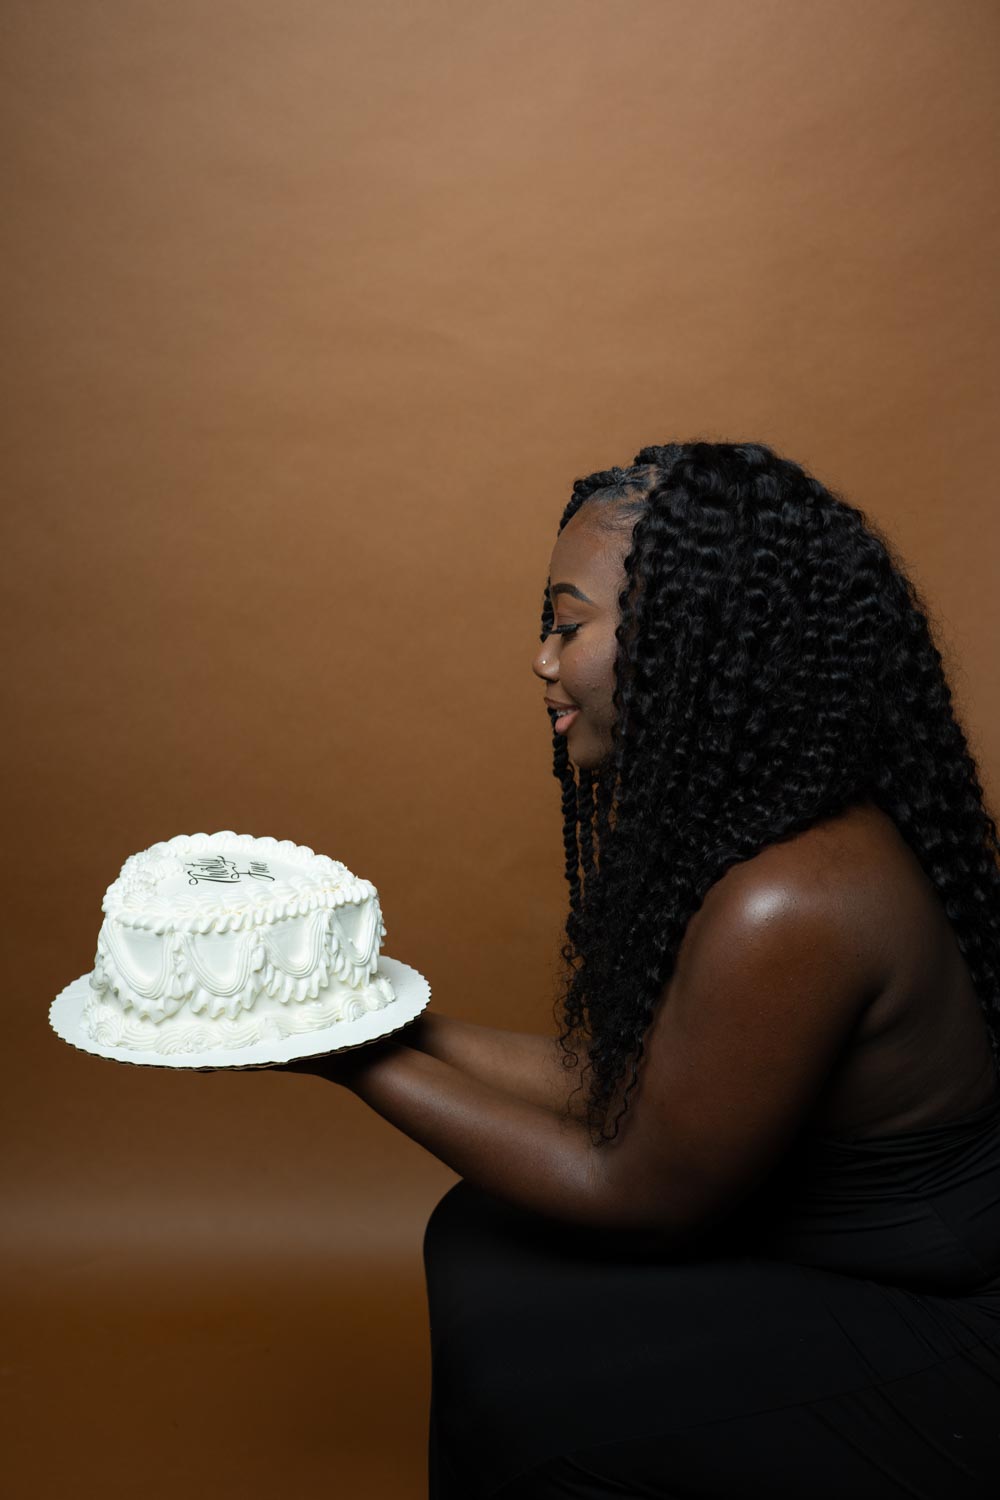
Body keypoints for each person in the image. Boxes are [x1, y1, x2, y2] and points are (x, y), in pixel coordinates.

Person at [284, 442, 1000, 1497]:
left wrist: (342, 1057)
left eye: (568, 626)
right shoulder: (771, 838)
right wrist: (376, 1016)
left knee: (535, 1379)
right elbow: (638, 1087)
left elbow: (641, 1192)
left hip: (949, 1335)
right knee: (487, 1239)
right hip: (851, 1257)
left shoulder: (789, 899)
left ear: (690, 640)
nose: (541, 660)